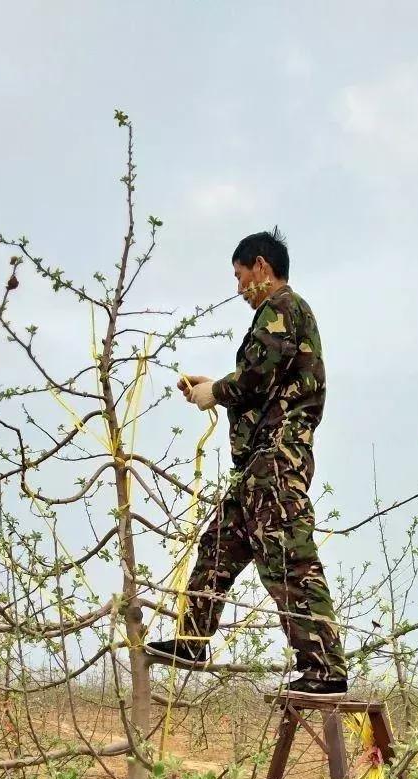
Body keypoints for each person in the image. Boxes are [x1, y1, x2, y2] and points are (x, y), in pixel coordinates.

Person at [146, 228, 348, 699]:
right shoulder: (280, 316)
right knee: (217, 545)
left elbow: (256, 377)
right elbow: (263, 381)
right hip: (258, 463)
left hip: (277, 460)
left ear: (261, 266)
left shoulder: (281, 308)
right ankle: (193, 640)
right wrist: (216, 388)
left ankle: (325, 668)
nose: (238, 289)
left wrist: (213, 392)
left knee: (288, 559)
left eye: (240, 277)